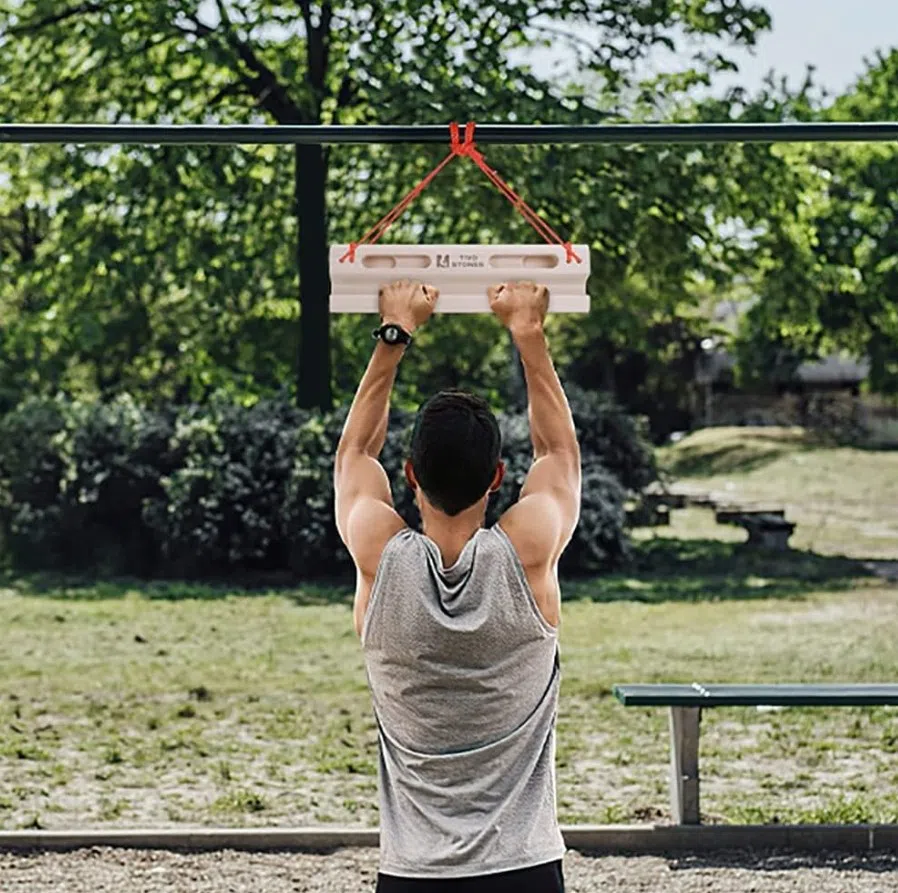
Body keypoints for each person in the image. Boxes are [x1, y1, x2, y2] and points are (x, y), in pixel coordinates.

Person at [334, 279, 581, 892]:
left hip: (413, 876)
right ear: (499, 476)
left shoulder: (377, 557)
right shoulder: (529, 555)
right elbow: (559, 454)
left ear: (409, 474)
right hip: (523, 872)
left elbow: (354, 455)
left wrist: (394, 334)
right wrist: (528, 333)